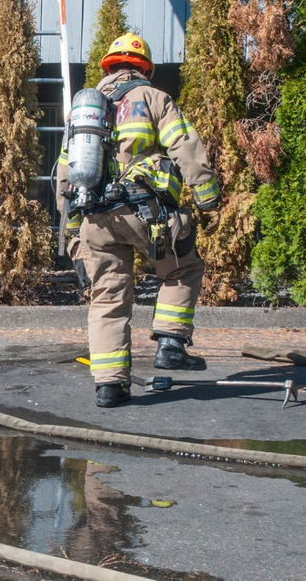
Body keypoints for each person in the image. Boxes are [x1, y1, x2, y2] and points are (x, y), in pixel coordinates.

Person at [56, 33, 221, 408]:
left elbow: (64, 177)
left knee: (108, 297)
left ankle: (109, 386)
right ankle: (171, 344)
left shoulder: (84, 115)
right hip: (148, 212)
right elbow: (185, 146)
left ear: (109, 67)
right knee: (183, 267)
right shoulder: (153, 99)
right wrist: (207, 195)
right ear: (143, 68)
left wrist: (71, 239)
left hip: (95, 219)